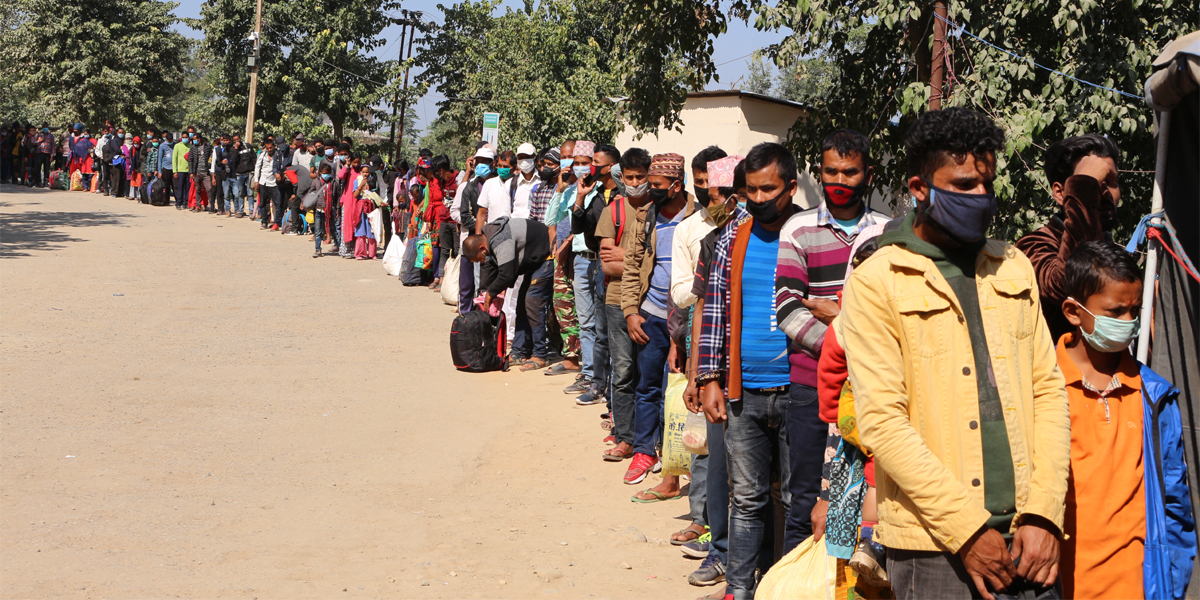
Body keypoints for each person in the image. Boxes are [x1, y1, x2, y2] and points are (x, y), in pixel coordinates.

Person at [841, 108, 1070, 600]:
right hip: (936, 547)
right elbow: (883, 421)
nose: (981, 198)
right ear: (920, 188)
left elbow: (1048, 392)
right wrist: (966, 529)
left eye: (987, 184)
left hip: (1031, 540)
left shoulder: (1012, 267)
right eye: (964, 185)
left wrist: (1046, 512)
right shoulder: (878, 280)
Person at [773, 129, 891, 553]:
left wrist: (840, 319)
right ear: (819, 174)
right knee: (805, 499)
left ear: (868, 174)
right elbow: (788, 308)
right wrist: (846, 347)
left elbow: (891, 312)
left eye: (850, 172)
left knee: (852, 500)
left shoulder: (887, 232)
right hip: (812, 387)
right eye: (831, 171)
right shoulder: (799, 229)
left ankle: (840, 585)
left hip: (872, 391)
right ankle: (795, 583)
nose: (840, 181)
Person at [1056, 241, 1195, 600]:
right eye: (1116, 312)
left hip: (1140, 588)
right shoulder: (1043, 387)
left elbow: (1174, 504)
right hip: (1058, 585)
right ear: (1074, 311)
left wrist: (1173, 583)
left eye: (1134, 311)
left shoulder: (1154, 397)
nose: (1129, 323)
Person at [694, 143, 801, 599]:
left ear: (791, 187)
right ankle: (739, 590)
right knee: (748, 499)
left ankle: (786, 588)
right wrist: (708, 378)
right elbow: (715, 309)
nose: (758, 198)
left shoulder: (808, 233)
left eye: (768, 189)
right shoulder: (733, 236)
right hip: (745, 392)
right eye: (750, 190)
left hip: (801, 390)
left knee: (797, 501)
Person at [622, 152, 699, 493]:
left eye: (656, 186)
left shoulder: (698, 217)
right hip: (651, 313)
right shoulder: (646, 216)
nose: (648, 191)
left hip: (686, 317)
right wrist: (630, 311)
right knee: (648, 385)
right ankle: (643, 451)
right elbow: (631, 265)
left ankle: (682, 461)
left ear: (677, 186)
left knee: (681, 392)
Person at [1015, 134, 1122, 341]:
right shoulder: (1033, 245)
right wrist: (1084, 188)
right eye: (1095, 182)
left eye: (1112, 182)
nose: (1107, 192)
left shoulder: (1112, 250)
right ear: (1060, 193)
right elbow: (1065, 284)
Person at [570, 143, 622, 405]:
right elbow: (579, 227)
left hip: (623, 271)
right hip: (600, 269)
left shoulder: (625, 196)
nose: (591, 168)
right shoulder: (597, 194)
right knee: (601, 331)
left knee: (617, 334)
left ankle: (616, 391)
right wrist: (580, 198)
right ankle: (598, 386)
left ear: (610, 166)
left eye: (596, 163)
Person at [463, 216, 553, 318]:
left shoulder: (499, 239)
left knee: (532, 304)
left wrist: (490, 293)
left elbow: (506, 274)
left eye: (480, 259)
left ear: (482, 249)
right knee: (521, 307)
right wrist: (503, 287)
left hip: (546, 254)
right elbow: (510, 266)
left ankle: (538, 334)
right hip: (534, 259)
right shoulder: (492, 236)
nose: (483, 261)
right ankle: (521, 334)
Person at [456, 146, 496, 313]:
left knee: (487, 282)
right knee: (467, 282)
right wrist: (481, 229)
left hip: (496, 241)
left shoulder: (499, 184)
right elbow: (464, 215)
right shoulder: (469, 187)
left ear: (492, 164)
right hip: (473, 241)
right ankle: (465, 315)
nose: (480, 165)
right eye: (477, 162)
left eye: (484, 162)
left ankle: (487, 315)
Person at [253, 138, 282, 228]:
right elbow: (257, 168)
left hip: (273, 182)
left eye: (271, 147)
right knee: (263, 203)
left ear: (273, 146)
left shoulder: (278, 155)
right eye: (267, 148)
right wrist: (256, 181)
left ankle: (277, 222)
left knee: (278, 203)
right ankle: (264, 221)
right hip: (263, 182)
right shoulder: (262, 155)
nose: (269, 149)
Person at [188, 134, 214, 212]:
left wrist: (209, 165)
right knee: (197, 189)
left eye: (195, 139)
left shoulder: (207, 147)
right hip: (197, 172)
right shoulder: (193, 148)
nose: (194, 141)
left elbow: (211, 157)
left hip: (206, 172)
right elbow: (190, 160)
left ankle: (211, 206)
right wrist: (191, 172)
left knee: (209, 188)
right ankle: (197, 205)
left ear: (199, 139)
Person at [31, 124, 54, 188]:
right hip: (39, 153)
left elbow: (53, 146)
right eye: (44, 127)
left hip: (47, 154)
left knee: (47, 169)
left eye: (46, 127)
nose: (45, 128)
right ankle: (37, 182)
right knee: (37, 168)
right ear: (42, 128)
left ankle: (46, 182)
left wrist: (52, 155)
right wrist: (39, 141)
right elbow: (32, 142)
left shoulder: (51, 136)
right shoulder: (38, 135)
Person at [172, 131, 190, 209]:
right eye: (183, 137)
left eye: (186, 137)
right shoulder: (177, 146)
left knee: (188, 187)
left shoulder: (191, 146)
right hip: (180, 170)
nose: (184, 139)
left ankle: (186, 202)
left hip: (189, 170)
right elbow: (174, 159)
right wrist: (175, 171)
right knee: (180, 187)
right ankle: (179, 202)